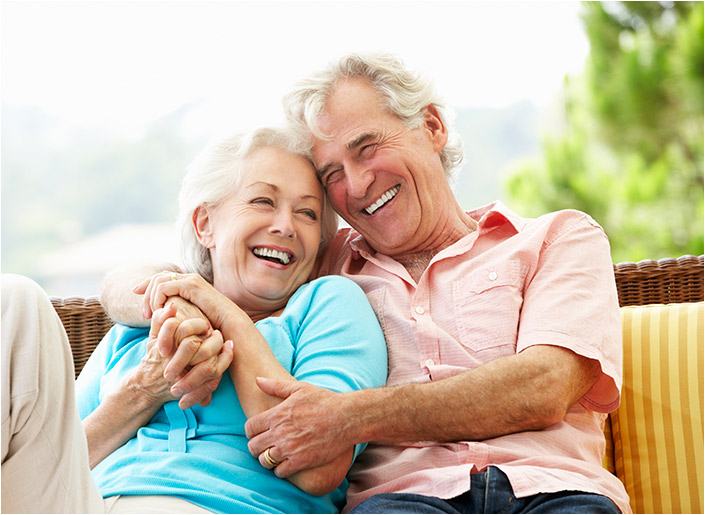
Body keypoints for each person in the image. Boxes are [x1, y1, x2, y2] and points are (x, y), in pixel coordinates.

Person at [101, 53, 631, 513]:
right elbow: (152, 275)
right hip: (403, 501)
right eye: (332, 173)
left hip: (553, 493)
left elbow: (545, 386)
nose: (354, 185)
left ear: (432, 126)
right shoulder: (327, 262)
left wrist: (347, 417)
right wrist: (187, 302)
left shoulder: (556, 239)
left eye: (367, 147)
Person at [1, 127, 388, 513]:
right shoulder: (144, 321)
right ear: (205, 224)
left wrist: (226, 319)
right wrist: (143, 391)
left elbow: (317, 469)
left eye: (306, 213)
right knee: (13, 299)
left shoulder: (328, 305)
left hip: (221, 506)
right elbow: (49, 460)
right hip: (83, 504)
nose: (286, 226)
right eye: (263, 201)